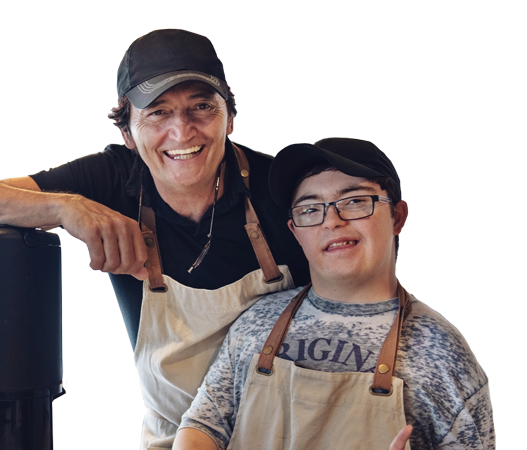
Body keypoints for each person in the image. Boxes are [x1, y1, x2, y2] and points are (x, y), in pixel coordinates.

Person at [0, 29, 310, 448]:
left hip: (286, 432)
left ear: (230, 118)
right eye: (157, 112)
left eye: (201, 107)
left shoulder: (285, 188)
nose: (182, 131)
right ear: (128, 132)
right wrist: (67, 208)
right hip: (172, 436)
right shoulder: (112, 178)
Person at [174, 138, 496, 450]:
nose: (332, 221)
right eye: (310, 209)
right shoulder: (256, 322)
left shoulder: (440, 352)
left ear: (397, 217)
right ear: (295, 232)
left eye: (355, 201)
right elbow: (204, 425)